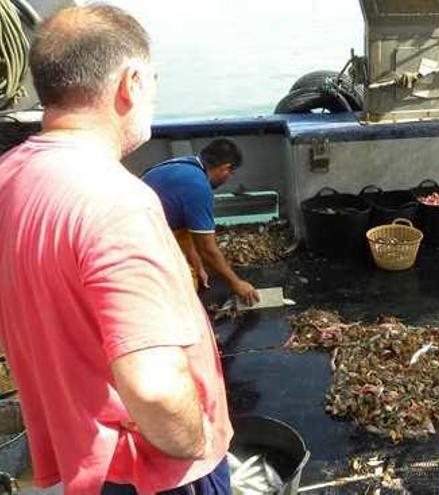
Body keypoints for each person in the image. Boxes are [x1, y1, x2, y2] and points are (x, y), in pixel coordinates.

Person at [0, 6, 232, 493]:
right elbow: (155, 388)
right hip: (154, 473)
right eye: (153, 81)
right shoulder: (117, 205)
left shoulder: (10, 176)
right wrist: (199, 443)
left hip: (82, 458)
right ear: (130, 83)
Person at [142, 139, 260, 305]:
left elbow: (183, 226)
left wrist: (197, 265)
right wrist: (236, 283)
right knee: (187, 288)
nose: (228, 178)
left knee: (193, 272)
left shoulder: (183, 164)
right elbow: (207, 249)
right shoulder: (199, 187)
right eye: (230, 173)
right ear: (225, 168)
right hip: (139, 242)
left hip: (136, 226)